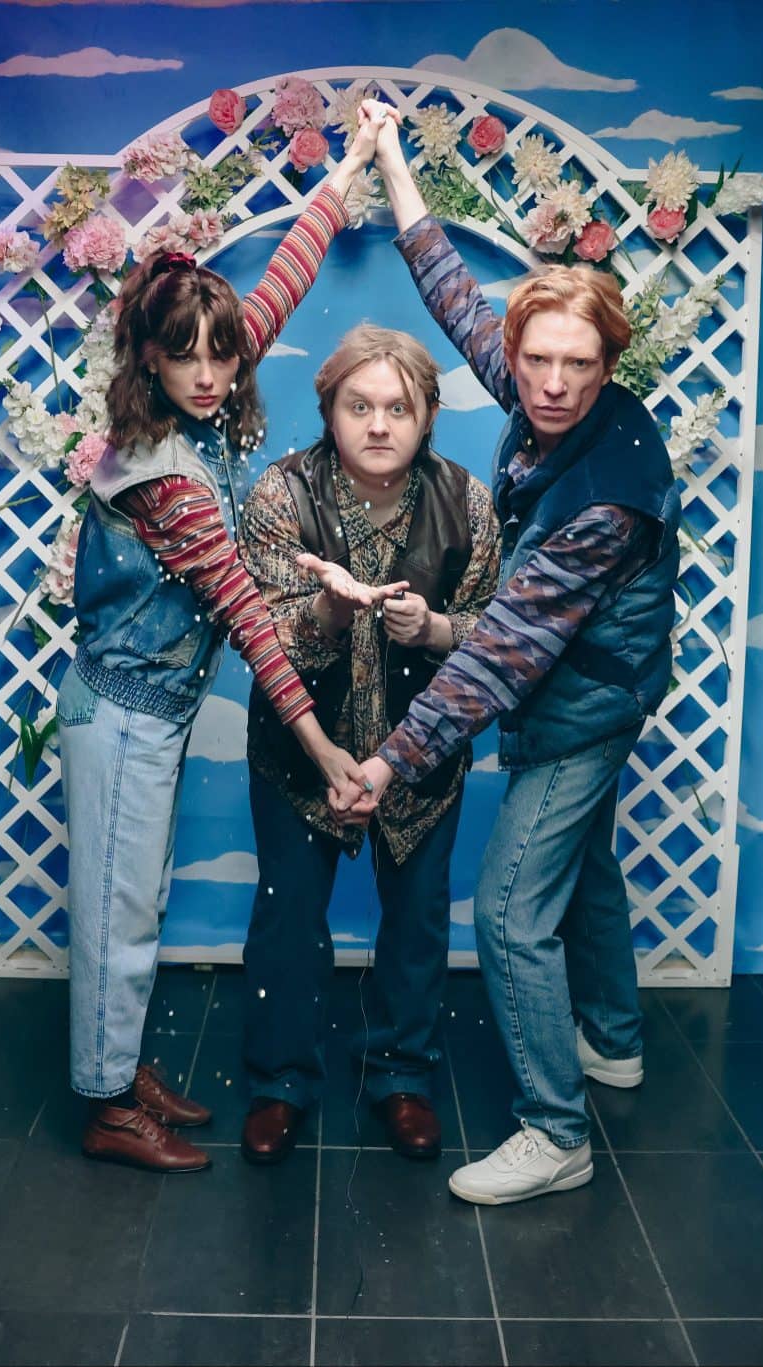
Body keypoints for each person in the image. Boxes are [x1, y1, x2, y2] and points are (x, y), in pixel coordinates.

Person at [333, 109, 681, 1205]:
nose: (551, 384)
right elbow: (452, 290)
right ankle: (614, 1040)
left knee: (511, 908)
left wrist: (387, 761)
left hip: (586, 703)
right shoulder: (542, 389)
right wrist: (394, 161)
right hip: (593, 679)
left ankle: (555, 1129)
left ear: (609, 365)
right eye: (535, 360)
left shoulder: (603, 500)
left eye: (578, 365)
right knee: (589, 865)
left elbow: (497, 658)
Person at [58, 110, 390, 1173]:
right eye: (183, 356)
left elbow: (282, 278)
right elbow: (248, 619)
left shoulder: (192, 411)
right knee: (117, 913)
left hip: (145, 711)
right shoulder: (169, 479)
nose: (208, 373)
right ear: (147, 359)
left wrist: (348, 167)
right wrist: (327, 752)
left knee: (138, 900)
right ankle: (107, 1101)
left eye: (221, 353)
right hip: (121, 714)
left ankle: (119, 1067)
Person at [233, 324, 500, 1165]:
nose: (379, 424)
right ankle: (280, 1081)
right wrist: (329, 609)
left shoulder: (468, 504)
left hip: (421, 760)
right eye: (359, 406)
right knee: (287, 917)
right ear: (329, 411)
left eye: (398, 408)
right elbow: (261, 637)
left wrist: (437, 629)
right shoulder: (282, 495)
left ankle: (402, 1075)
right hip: (300, 751)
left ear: (428, 416)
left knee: (418, 920)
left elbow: (499, 639)